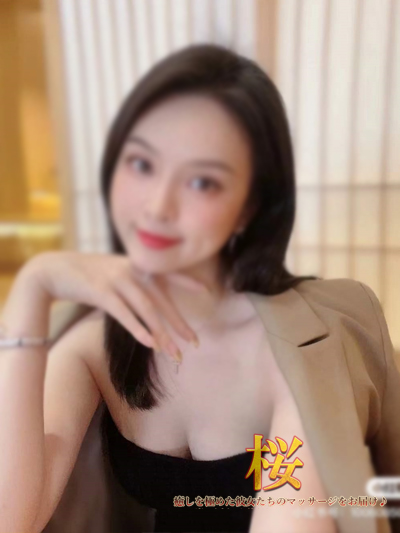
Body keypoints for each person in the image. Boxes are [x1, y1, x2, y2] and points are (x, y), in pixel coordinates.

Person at [0, 43, 399, 533]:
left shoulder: (308, 346)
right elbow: (10, 517)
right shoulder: (95, 345)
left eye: (202, 182)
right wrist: (34, 286)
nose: (157, 206)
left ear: (251, 206)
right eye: (142, 164)